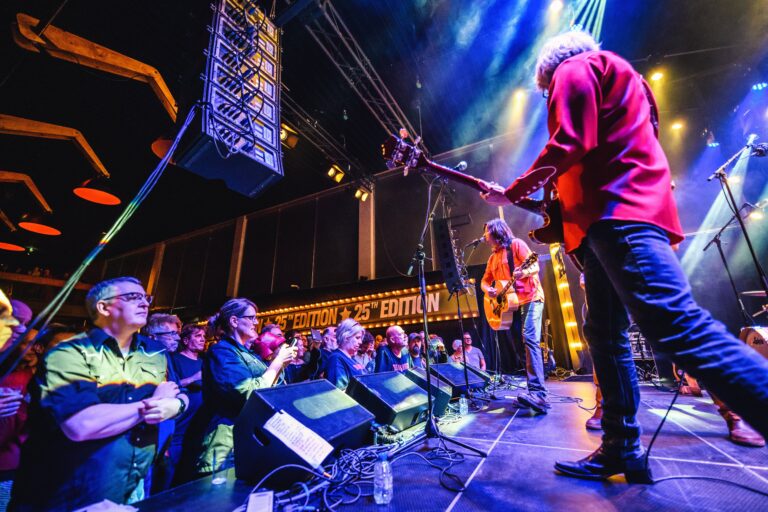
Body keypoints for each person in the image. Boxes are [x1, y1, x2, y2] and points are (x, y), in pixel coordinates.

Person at [478, 30, 768, 482]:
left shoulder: (574, 70)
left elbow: (570, 140)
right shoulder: (623, 79)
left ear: (549, 73)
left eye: (546, 91)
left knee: (675, 324)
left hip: (616, 215)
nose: (549, 97)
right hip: (607, 220)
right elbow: (598, 150)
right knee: (606, 332)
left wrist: (516, 188)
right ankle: (620, 447)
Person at [10, 277, 188, 510]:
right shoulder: (70, 352)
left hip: (131, 486)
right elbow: (81, 424)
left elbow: (179, 393)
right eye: (133, 297)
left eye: (146, 297)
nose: (144, 303)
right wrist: (151, 405)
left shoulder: (153, 351)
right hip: (69, 493)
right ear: (104, 307)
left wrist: (176, 406)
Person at [197, 298, 295, 475]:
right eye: (251, 318)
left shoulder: (247, 353)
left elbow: (270, 389)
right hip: (226, 444)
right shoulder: (222, 352)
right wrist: (277, 363)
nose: (256, 322)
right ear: (234, 321)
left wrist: (280, 365)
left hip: (249, 438)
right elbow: (249, 392)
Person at [481, 218, 547, 412]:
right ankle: (532, 391)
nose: (485, 237)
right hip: (511, 305)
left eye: (487, 232)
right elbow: (484, 282)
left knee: (529, 339)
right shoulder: (492, 258)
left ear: (496, 232)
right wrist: (488, 291)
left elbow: (534, 266)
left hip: (530, 298)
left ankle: (538, 394)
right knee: (519, 345)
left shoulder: (516, 244)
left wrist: (523, 272)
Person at [165, 324, 207, 487]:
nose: (202, 339)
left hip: (200, 423)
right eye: (198, 336)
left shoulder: (204, 361)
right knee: (172, 474)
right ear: (186, 340)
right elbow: (172, 385)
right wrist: (192, 378)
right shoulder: (175, 359)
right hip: (180, 426)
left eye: (203, 336)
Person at [325, 319, 365, 390]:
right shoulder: (336, 359)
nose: (360, 342)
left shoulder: (351, 358)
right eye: (357, 338)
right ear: (346, 337)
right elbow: (340, 391)